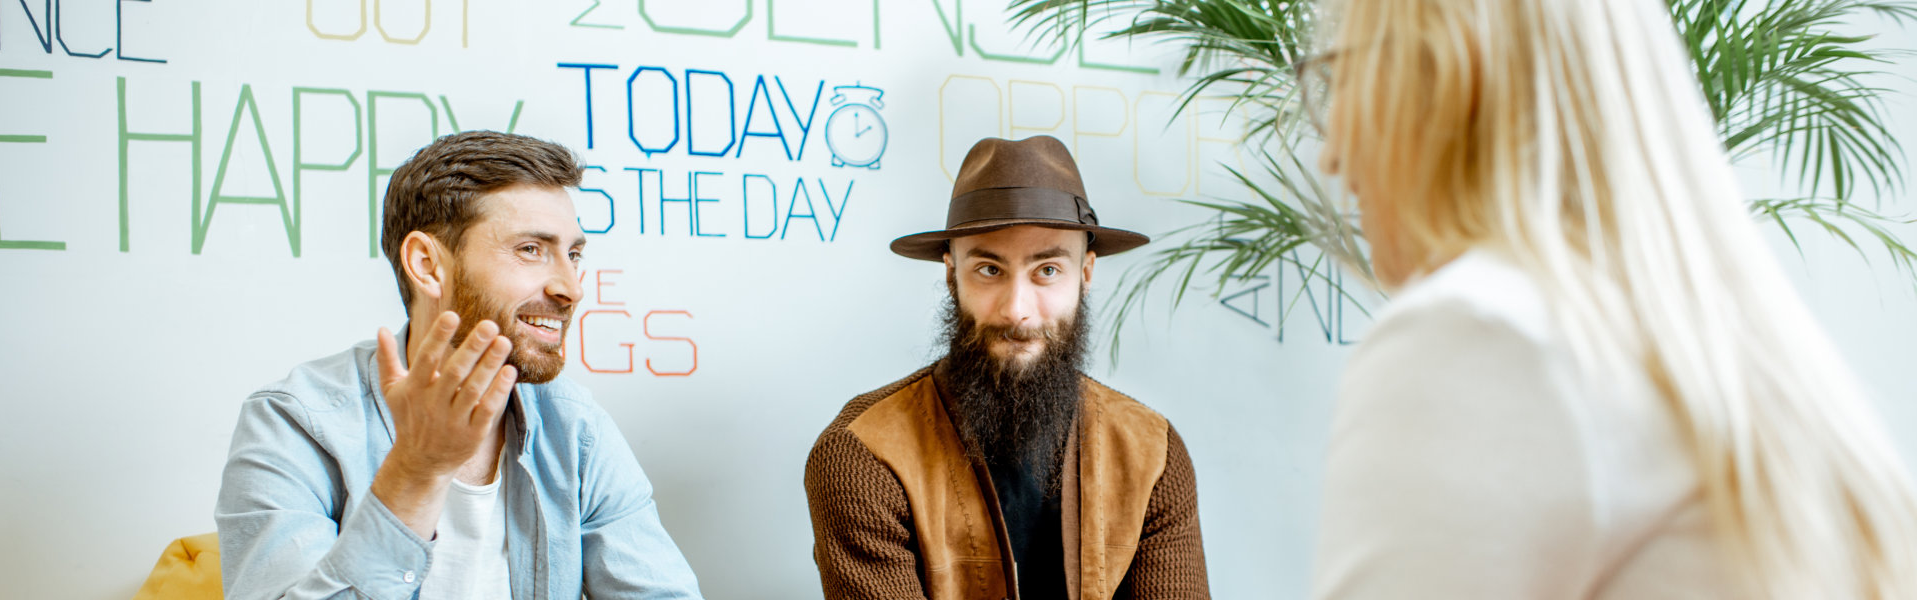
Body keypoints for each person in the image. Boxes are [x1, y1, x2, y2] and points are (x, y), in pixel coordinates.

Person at [1305, 0, 1917, 597]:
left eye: (1343, 76)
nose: (1332, 150)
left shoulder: (1476, 336)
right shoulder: (1730, 351)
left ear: (1447, 72)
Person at [215, 131, 703, 600]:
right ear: (427, 264)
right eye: (531, 249)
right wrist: (417, 471)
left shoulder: (576, 429)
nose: (571, 288)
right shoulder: (293, 421)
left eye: (572, 254)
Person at [804, 135, 1210, 600]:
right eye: (990, 270)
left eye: (1048, 271)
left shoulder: (1152, 452)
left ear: (1086, 273)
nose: (1018, 310)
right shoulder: (862, 454)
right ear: (951, 274)